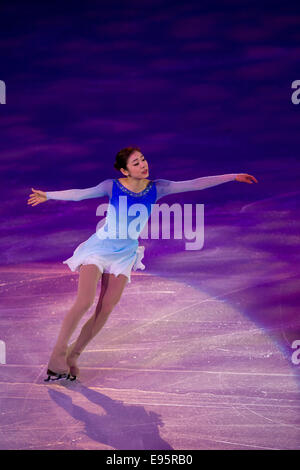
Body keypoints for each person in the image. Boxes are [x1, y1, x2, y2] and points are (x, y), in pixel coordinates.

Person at [27, 146, 258, 381]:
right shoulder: (111, 186)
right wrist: (48, 195)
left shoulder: (157, 187)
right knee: (84, 301)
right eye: (136, 163)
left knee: (105, 309)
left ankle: (73, 355)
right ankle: (57, 356)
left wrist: (233, 176)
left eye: (143, 160)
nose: (143, 165)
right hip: (99, 248)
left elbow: (194, 183)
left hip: (125, 253)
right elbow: (80, 193)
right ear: (124, 170)